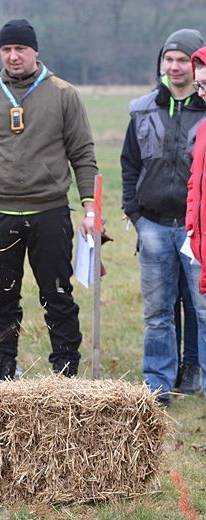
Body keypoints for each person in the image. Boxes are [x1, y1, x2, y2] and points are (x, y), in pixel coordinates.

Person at [0, 19, 98, 381]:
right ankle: (2, 372)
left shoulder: (63, 94)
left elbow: (82, 153)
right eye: (6, 50)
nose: (13, 56)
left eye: (20, 49)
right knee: (2, 300)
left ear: (35, 51)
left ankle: (66, 372)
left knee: (57, 295)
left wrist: (90, 207)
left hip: (50, 211)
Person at [122, 29, 206, 405]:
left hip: (197, 228)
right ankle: (158, 384)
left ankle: (198, 380)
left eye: (181, 60)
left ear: (196, 65)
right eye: (167, 59)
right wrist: (134, 211)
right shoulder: (142, 108)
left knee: (203, 310)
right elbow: (128, 163)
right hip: (153, 224)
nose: (173, 67)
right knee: (157, 311)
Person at [184, 44, 206, 398]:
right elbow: (195, 181)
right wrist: (191, 223)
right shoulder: (203, 129)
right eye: (200, 87)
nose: (202, 94)